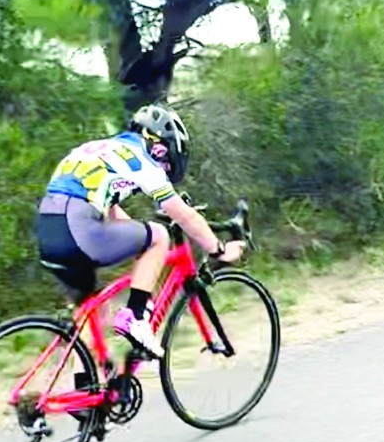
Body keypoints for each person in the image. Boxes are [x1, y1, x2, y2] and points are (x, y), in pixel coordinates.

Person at [34, 103, 244, 358]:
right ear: (161, 146)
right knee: (158, 236)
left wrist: (138, 242)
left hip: (48, 229)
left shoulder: (104, 150)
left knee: (92, 316)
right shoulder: (142, 160)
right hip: (78, 228)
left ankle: (86, 388)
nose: (165, 169)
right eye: (168, 162)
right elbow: (185, 216)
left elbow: (112, 213)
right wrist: (219, 250)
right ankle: (135, 317)